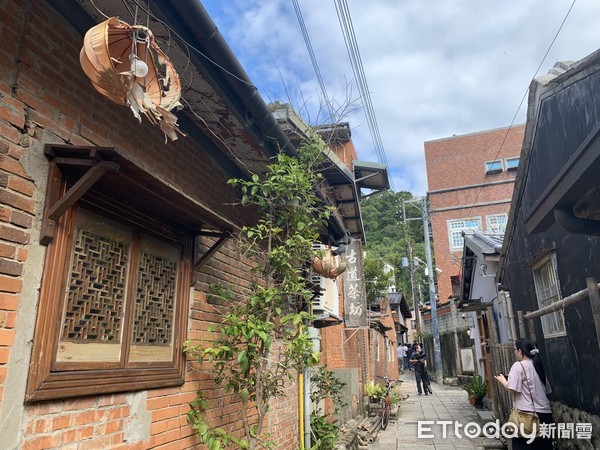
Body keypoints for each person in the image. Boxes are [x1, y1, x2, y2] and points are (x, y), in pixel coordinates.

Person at [494, 339, 553, 450]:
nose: (515, 353)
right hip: (545, 414)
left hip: (527, 416)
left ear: (520, 351)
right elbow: (546, 390)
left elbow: (513, 389)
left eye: (516, 350)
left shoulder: (519, 366)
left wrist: (503, 381)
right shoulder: (538, 365)